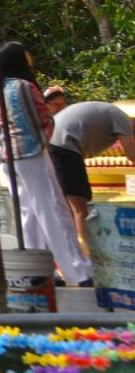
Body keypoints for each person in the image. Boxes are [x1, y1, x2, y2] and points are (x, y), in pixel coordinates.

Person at [0, 44, 91, 284]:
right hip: (32, 153)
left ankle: (36, 270)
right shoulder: (25, 87)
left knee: (29, 213)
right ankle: (79, 271)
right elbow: (42, 120)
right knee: (54, 211)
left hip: (8, 154)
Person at [50, 94, 135, 263]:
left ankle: (73, 255)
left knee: (69, 205)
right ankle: (86, 258)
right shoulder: (123, 120)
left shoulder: (111, 115)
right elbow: (132, 154)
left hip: (55, 144)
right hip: (63, 148)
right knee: (80, 207)